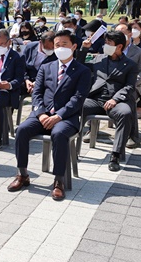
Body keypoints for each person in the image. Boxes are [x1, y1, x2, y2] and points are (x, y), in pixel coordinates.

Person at [7, 30, 91, 201]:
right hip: (42, 114)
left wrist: (58, 116)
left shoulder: (82, 71)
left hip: (67, 117)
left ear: (74, 47)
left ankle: (59, 180)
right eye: (57, 45)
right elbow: (37, 93)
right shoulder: (46, 67)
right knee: (22, 130)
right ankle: (22, 174)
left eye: (64, 44)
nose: (60, 48)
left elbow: (78, 98)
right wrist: (41, 113)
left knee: (58, 134)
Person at [78, 31, 138, 172]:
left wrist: (115, 99)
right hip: (96, 99)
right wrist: (84, 49)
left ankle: (115, 155)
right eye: (105, 43)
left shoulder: (130, 64)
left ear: (119, 46)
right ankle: (71, 147)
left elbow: (130, 86)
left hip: (117, 101)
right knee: (76, 106)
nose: (105, 46)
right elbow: (78, 66)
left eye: (108, 44)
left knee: (125, 113)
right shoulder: (99, 58)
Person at [115, 23, 141, 149]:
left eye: (122, 33)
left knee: (130, 99)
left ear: (130, 34)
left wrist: (131, 83)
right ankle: (91, 129)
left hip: (131, 85)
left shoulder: (139, 52)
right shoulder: (110, 49)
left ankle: (132, 136)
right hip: (112, 85)